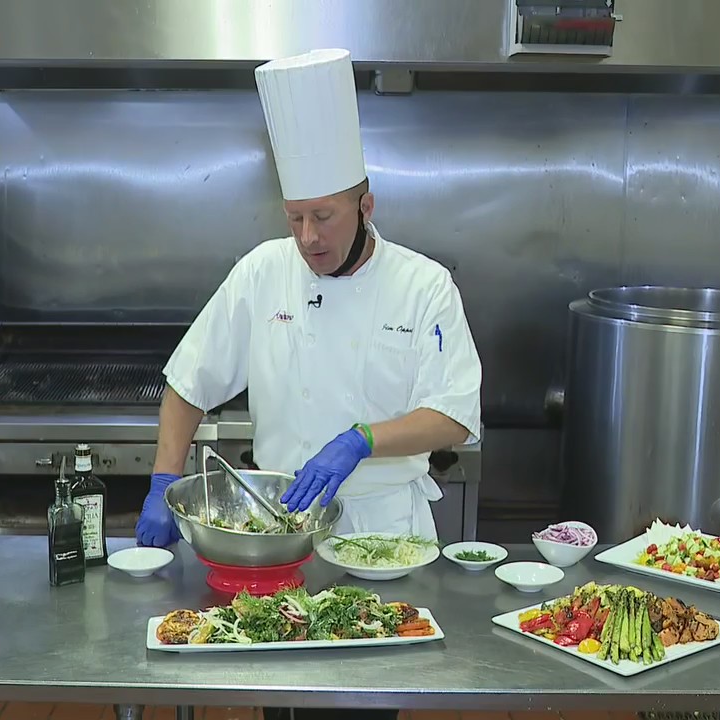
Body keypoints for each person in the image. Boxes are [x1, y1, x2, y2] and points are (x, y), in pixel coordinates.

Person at [134, 48, 482, 720]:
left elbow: (454, 415)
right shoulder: (264, 271)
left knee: (365, 700)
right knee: (280, 693)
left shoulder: (424, 287)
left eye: (324, 216)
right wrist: (160, 479)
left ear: (366, 204)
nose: (308, 237)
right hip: (276, 535)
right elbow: (188, 379)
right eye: (294, 218)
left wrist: (362, 438)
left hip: (382, 542)